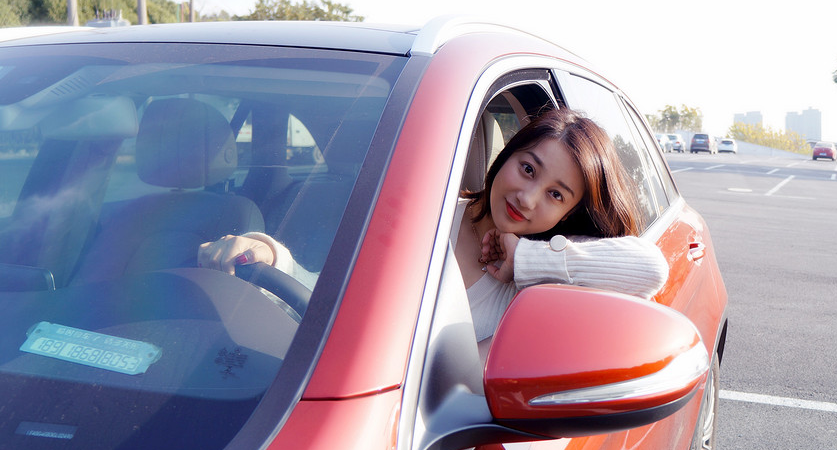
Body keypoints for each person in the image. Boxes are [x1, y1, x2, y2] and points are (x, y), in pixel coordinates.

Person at [198, 107, 668, 344]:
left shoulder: (539, 276)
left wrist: (523, 257)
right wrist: (267, 255)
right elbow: (336, 297)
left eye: (556, 194)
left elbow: (650, 269)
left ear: (568, 213)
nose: (528, 197)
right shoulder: (429, 214)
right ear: (506, 156)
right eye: (528, 168)